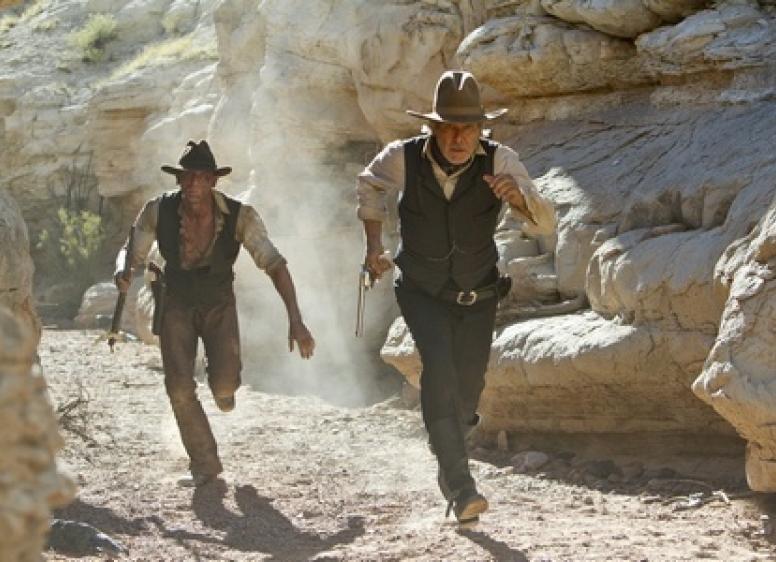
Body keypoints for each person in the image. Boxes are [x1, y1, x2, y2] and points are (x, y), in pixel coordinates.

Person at [356, 70, 555, 522]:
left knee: (468, 392)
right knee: (440, 370)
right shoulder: (404, 156)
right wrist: (374, 247)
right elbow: (369, 184)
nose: (459, 138)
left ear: (481, 129)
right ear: (433, 127)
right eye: (449, 128)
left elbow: (545, 222)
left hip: (479, 293)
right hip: (422, 291)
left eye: (468, 128)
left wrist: (518, 198)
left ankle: (448, 444)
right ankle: (461, 486)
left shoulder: (501, 160)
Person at [114, 140, 315, 487]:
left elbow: (274, 264)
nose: (193, 184)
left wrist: (295, 320)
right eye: (187, 177)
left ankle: (223, 388)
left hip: (218, 302)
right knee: (178, 387)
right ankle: (204, 463)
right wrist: (123, 269)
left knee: (224, 383)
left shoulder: (240, 216)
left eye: (201, 177)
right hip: (175, 301)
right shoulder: (158, 210)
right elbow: (131, 251)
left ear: (213, 181)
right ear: (179, 180)